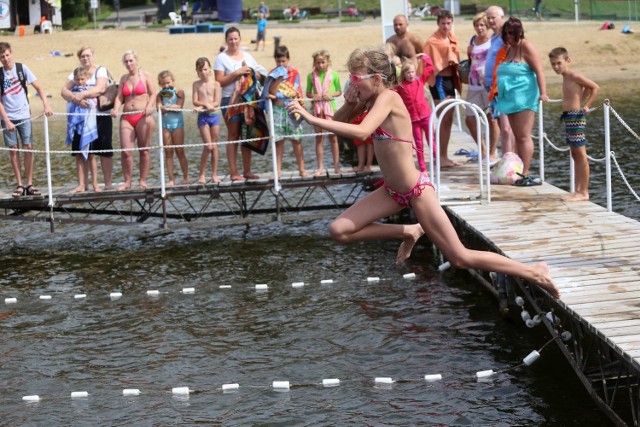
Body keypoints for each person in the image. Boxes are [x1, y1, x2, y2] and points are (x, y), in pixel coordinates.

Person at [286, 46, 559, 299]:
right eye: (352, 80)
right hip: (392, 192)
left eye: (357, 79)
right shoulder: (369, 101)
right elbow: (338, 122)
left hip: (416, 191)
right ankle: (409, 231)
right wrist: (348, 102)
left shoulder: (389, 98)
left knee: (459, 257)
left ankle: (534, 271)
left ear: (378, 78)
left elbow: (362, 131)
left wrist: (310, 117)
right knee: (339, 230)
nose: (353, 84)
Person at [495, 17, 548, 186]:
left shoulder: (526, 46)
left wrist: (544, 93)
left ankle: (525, 174)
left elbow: (539, 71)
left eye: (511, 33)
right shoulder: (510, 48)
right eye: (506, 34)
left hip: (524, 98)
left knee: (524, 136)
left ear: (519, 32)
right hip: (509, 99)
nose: (508, 36)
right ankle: (519, 171)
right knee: (516, 136)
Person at [0, 42, 53, 198]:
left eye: (7, 55)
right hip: (7, 118)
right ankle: (19, 185)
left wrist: (46, 105)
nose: (5, 58)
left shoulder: (22, 69)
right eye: (2, 56)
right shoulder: (0, 74)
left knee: (28, 147)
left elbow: (39, 87)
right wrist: (6, 120)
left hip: (24, 115)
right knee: (13, 150)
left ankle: (29, 184)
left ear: (12, 54)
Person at [214, 27, 266, 181]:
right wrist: (236, 73)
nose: (233, 42)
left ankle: (247, 170)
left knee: (247, 134)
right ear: (226, 40)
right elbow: (219, 82)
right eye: (230, 39)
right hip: (229, 99)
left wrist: (254, 74)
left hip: (247, 100)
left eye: (236, 38)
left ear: (240, 39)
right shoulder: (221, 58)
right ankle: (234, 172)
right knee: (233, 135)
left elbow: (259, 75)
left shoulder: (248, 56)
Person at [61, 46, 115, 192]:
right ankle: (82, 184)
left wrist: (82, 94)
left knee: (104, 148)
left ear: (92, 56)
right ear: (79, 58)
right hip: (81, 118)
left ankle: (107, 183)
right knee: (82, 151)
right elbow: (64, 91)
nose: (85, 58)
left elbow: (101, 89)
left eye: (88, 55)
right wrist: (75, 98)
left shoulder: (100, 70)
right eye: (83, 56)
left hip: (101, 115)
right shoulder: (76, 74)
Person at [548, 47, 599, 202]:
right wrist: (580, 101)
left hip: (576, 117)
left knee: (581, 154)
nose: (556, 67)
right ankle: (578, 190)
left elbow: (595, 87)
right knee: (574, 153)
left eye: (559, 63)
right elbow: (579, 93)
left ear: (568, 61)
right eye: (553, 64)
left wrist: (586, 106)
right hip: (569, 117)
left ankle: (583, 192)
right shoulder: (565, 77)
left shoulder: (574, 75)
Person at [111, 50, 157, 191]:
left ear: (136, 60)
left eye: (131, 60)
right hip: (127, 117)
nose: (129, 63)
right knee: (126, 151)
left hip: (143, 116)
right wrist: (115, 108)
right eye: (126, 61)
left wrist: (149, 106)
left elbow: (153, 93)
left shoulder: (145, 75)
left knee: (144, 150)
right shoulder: (124, 78)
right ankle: (127, 181)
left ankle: (142, 180)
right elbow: (120, 96)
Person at [423, 9, 462, 168]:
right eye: (443, 23)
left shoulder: (452, 38)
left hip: (450, 80)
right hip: (439, 80)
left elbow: (455, 58)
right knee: (443, 116)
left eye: (448, 23)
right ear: (438, 23)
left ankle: (443, 156)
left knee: (448, 119)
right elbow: (427, 61)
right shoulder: (433, 41)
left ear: (452, 22)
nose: (446, 26)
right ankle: (439, 156)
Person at [264, 45, 309, 178]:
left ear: (288, 59)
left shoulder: (294, 73)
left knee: (296, 139)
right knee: (279, 141)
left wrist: (278, 95)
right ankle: (277, 171)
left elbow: (295, 91)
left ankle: (302, 169)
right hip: (277, 110)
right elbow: (270, 90)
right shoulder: (273, 73)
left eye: (284, 61)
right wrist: (279, 77)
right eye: (278, 61)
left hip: (292, 109)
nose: (281, 64)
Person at [465, 12, 499, 163]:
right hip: (473, 84)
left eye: (482, 25)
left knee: (491, 119)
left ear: (487, 26)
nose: (479, 28)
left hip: (488, 85)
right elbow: (469, 57)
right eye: (477, 25)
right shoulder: (473, 40)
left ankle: (492, 152)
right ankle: (483, 149)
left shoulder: (493, 40)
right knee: (470, 119)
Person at [394, 54, 435, 172]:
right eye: (408, 72)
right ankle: (422, 167)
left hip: (426, 116)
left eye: (412, 72)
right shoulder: (401, 86)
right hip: (414, 120)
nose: (411, 74)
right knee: (418, 144)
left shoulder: (420, 81)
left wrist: (425, 57)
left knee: (431, 140)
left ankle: (436, 161)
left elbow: (430, 68)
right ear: (404, 74)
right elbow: (389, 91)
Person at [306, 49, 342, 176]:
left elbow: (339, 91)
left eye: (323, 62)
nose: (320, 65)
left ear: (328, 62)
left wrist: (330, 94)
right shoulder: (311, 76)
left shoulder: (335, 75)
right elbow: (308, 93)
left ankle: (336, 166)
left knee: (333, 137)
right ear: (314, 63)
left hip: (330, 109)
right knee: (319, 138)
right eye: (318, 63)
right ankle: (320, 167)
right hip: (317, 109)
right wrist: (313, 95)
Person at [485, 6, 515, 156]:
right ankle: (506, 158)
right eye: (488, 18)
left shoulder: (506, 36)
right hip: (493, 87)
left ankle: (511, 159)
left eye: (493, 18)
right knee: (500, 124)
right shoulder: (494, 36)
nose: (490, 21)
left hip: (504, 86)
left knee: (507, 127)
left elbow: (513, 56)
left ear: (502, 18)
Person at [65, 67, 99, 194]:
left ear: (87, 78)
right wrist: (76, 100)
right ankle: (81, 184)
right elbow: (68, 101)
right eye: (77, 79)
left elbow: (93, 103)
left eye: (82, 79)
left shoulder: (90, 91)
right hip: (77, 127)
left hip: (88, 126)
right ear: (74, 79)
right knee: (79, 156)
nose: (80, 82)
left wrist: (85, 100)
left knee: (91, 156)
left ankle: (95, 183)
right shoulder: (72, 93)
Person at [192, 57, 222, 184]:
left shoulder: (216, 84)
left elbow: (216, 102)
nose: (203, 72)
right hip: (203, 116)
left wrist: (210, 105)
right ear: (197, 71)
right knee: (208, 146)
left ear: (210, 69)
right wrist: (205, 104)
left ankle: (214, 175)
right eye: (200, 70)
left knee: (214, 146)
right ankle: (202, 174)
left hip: (214, 116)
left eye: (205, 69)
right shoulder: (196, 84)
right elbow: (195, 100)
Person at [157, 69, 189, 186]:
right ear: (160, 84)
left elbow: (179, 107)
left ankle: (186, 176)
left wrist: (168, 106)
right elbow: (159, 108)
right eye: (163, 84)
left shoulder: (179, 92)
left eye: (168, 82)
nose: (166, 85)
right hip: (165, 125)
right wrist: (167, 107)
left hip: (177, 125)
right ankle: (171, 179)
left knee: (179, 150)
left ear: (173, 80)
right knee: (168, 152)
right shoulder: (160, 94)